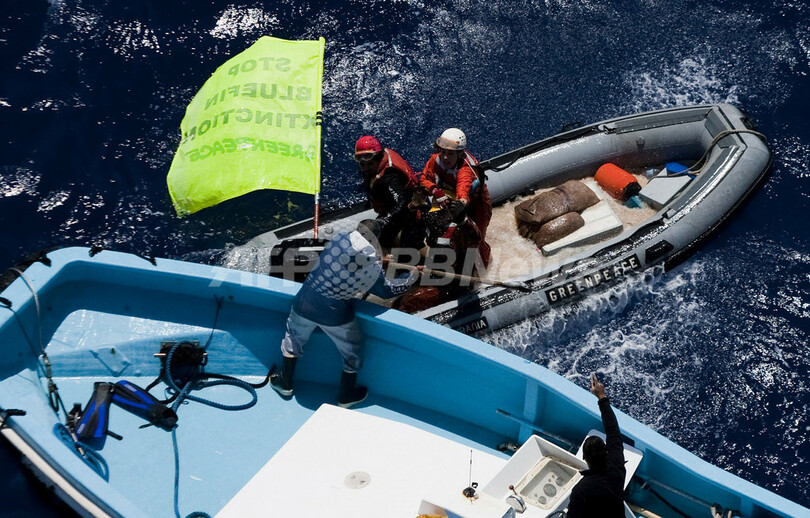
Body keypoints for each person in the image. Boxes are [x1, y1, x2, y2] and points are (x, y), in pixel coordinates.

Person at [270, 219, 421, 408]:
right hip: (333, 315)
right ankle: (346, 394)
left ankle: (285, 382)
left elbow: (349, 258)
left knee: (293, 337)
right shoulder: (371, 269)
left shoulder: (339, 239)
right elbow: (387, 291)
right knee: (353, 351)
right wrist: (411, 275)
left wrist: (378, 259)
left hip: (305, 303)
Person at [420, 128, 492, 267]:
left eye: (450, 153)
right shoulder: (435, 160)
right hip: (449, 198)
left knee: (478, 239)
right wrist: (435, 191)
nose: (445, 157)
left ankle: (484, 266)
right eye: (443, 152)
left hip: (477, 204)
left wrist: (461, 203)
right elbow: (424, 179)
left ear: (459, 154)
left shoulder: (465, 170)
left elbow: (463, 189)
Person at [566, 373, 627, 518]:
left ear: (584, 457)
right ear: (605, 451)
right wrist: (601, 396)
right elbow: (613, 430)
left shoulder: (581, 490)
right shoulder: (616, 465)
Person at [354, 135, 423, 250]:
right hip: (391, 207)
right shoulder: (377, 168)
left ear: (378, 157)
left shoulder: (390, 177)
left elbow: (402, 201)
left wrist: (385, 220)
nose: (365, 168)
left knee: (385, 240)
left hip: (408, 214)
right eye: (362, 164)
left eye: (369, 163)